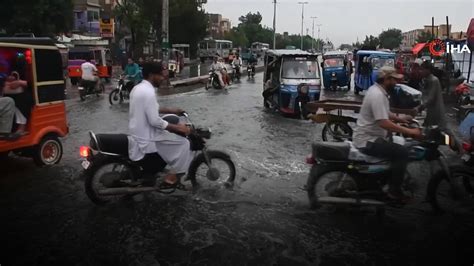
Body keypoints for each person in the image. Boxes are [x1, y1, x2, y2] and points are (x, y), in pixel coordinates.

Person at [352, 66, 422, 202]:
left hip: (372, 137)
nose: (396, 84)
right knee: (401, 152)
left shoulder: (378, 91)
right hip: (368, 140)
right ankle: (394, 191)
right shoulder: (377, 95)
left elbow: (385, 113)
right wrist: (410, 131)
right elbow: (383, 122)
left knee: (399, 144)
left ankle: (385, 180)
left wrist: (401, 118)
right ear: (386, 79)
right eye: (394, 80)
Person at [128, 61, 193, 188]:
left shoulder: (138, 88)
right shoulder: (148, 92)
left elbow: (151, 108)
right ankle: (171, 178)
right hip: (147, 139)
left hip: (138, 133)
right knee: (184, 143)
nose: (163, 78)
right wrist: (178, 127)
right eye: (161, 75)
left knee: (171, 138)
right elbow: (154, 121)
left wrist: (172, 110)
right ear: (152, 75)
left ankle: (161, 173)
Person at [417, 61, 446, 128]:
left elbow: (430, 98)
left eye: (422, 69)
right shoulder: (427, 79)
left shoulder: (433, 80)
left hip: (435, 110)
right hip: (430, 110)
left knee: (442, 130)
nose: (420, 71)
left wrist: (421, 107)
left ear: (428, 70)